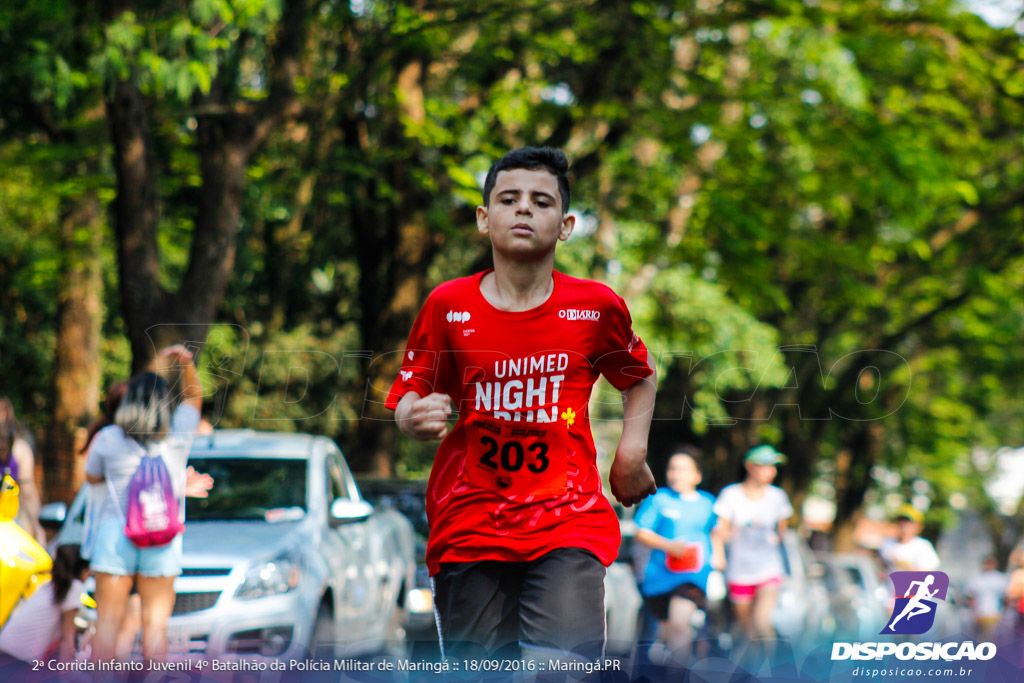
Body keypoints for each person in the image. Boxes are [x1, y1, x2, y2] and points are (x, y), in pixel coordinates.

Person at [387, 147, 657, 664]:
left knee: (565, 669)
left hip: (568, 517)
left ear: (566, 225)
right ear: (485, 219)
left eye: (541, 201)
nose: (525, 210)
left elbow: (639, 381)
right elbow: (409, 393)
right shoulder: (448, 305)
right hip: (469, 520)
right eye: (509, 199)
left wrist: (630, 453)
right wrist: (413, 417)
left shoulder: (596, 306)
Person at [84, 345, 202, 664]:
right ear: (165, 405)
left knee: (106, 624)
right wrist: (186, 365)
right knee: (155, 627)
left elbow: (92, 478)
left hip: (114, 534)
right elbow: (193, 399)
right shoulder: (177, 436)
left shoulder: (108, 438)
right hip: (163, 537)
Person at [634, 448, 725, 666]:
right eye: (672, 469)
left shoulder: (707, 503)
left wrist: (720, 556)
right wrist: (668, 546)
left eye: (683, 469)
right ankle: (674, 669)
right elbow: (641, 532)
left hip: (694, 576)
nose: (676, 474)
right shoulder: (659, 499)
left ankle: (679, 675)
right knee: (670, 633)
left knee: (679, 622)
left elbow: (716, 531)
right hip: (659, 577)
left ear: (697, 475)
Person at [713, 445, 793, 647]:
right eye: (765, 466)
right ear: (750, 467)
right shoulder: (731, 495)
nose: (771, 471)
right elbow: (720, 530)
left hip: (768, 568)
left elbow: (781, 533)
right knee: (747, 629)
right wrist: (722, 548)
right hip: (739, 570)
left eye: (773, 467)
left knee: (762, 621)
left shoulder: (778, 497)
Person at [0, 544, 90, 664]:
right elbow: (67, 638)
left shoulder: (50, 585)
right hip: (20, 659)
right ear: (82, 570)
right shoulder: (74, 588)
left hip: (6, 646)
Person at [0, 398, 45, 545]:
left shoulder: (20, 450)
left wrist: (37, 529)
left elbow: (28, 493)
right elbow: (28, 493)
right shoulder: (20, 450)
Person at [879, 505, 940, 572]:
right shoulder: (887, 542)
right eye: (900, 523)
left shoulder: (923, 546)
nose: (903, 527)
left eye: (907, 523)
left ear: (918, 526)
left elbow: (928, 572)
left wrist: (904, 566)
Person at [965, 556, 1007, 639]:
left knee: (989, 637)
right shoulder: (977, 578)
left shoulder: (1000, 578)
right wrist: (973, 612)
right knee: (977, 637)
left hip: (993, 612)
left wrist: (1002, 612)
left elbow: (1004, 597)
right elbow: (971, 596)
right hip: (979, 611)